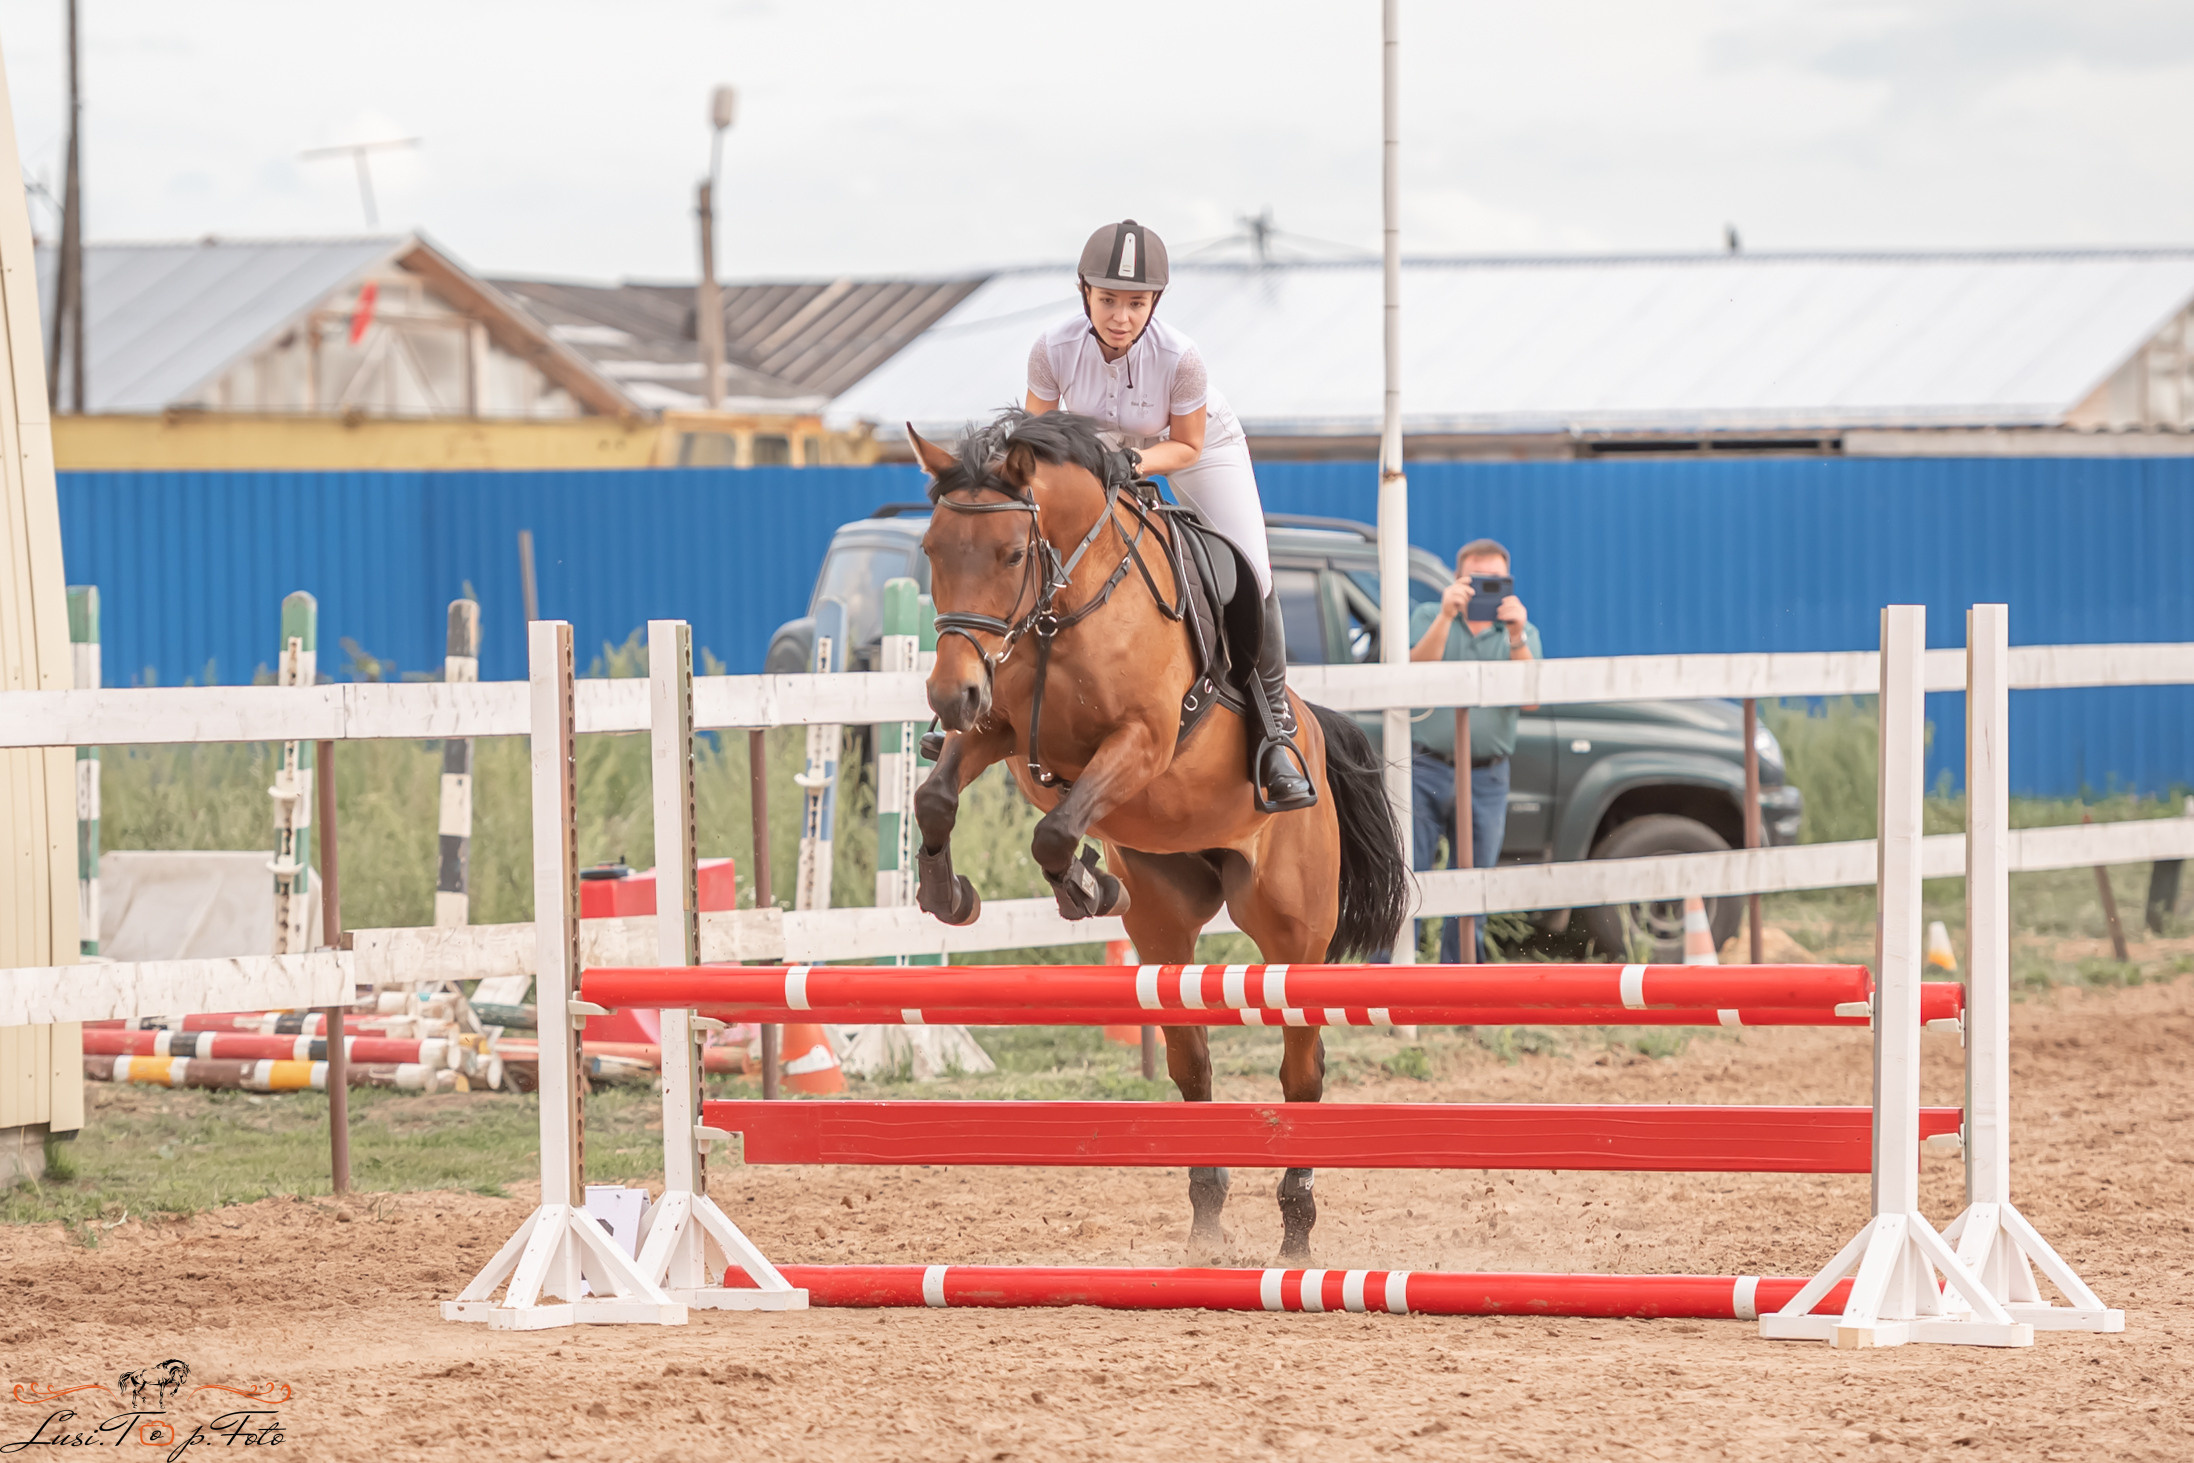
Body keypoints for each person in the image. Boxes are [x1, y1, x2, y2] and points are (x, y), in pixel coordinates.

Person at [1022, 218, 1314, 811]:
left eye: (1135, 303)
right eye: (1108, 300)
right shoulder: (1052, 348)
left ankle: (1276, 730)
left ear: (1154, 302)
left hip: (1192, 449)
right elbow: (1035, 442)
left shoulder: (1181, 357)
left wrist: (1131, 461)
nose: (1121, 317)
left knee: (1253, 570)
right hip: (1095, 451)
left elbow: (1187, 447)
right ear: (1085, 293)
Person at [1405, 538, 1541, 962]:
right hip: (1427, 764)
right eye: (1476, 580)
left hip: (1487, 774)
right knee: (1409, 874)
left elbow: (1531, 697)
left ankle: (1459, 981)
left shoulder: (1521, 630)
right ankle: (1390, 975)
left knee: (1473, 882)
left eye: (1495, 582)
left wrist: (1518, 636)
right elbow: (1411, 672)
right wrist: (1446, 615)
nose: (1485, 590)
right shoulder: (1430, 616)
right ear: (1458, 579)